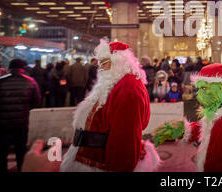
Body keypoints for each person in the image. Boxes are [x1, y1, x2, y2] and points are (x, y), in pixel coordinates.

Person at [61, 39, 159, 172]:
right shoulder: (115, 83)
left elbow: (125, 140)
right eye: (99, 63)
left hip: (98, 163)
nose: (100, 68)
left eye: (104, 63)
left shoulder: (129, 89)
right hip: (89, 158)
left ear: (118, 62)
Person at [153, 63, 222, 172]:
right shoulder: (219, 107)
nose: (198, 94)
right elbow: (212, 130)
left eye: (203, 88)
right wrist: (182, 129)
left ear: (220, 87)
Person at [0, 59, 41, 173]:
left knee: (1, 151)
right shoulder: (30, 81)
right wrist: (24, 108)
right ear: (22, 69)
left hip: (1, 123)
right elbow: (37, 101)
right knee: (21, 150)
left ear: (9, 68)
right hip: (21, 122)